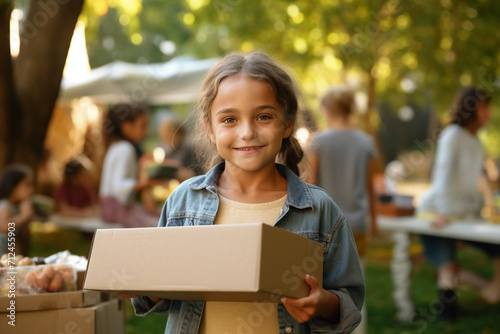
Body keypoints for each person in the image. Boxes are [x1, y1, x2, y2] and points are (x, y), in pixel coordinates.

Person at [125, 51, 364, 334]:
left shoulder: (320, 210)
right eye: (229, 120)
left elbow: (349, 302)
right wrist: (153, 285)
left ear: (287, 124)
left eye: (263, 116)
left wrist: (324, 303)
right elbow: (147, 298)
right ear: (210, 129)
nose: (247, 132)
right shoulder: (182, 201)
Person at [417, 86, 500, 319]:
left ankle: (488, 290)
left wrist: (482, 209)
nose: (488, 113)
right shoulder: (452, 134)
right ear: (471, 108)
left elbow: (475, 181)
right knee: (446, 262)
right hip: (436, 211)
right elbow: (443, 174)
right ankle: (449, 308)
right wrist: (443, 212)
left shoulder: (476, 143)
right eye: (485, 107)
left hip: (463, 213)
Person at [305, 86, 377, 334]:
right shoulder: (365, 141)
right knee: (357, 288)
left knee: (326, 290)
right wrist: (374, 222)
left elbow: (312, 186)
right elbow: (371, 187)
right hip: (358, 224)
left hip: (325, 226)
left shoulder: (318, 142)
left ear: (326, 110)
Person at [99, 103, 160, 228]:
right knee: (160, 224)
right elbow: (120, 186)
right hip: (117, 210)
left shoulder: (116, 146)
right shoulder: (125, 148)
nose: (146, 131)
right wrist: (148, 182)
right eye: (143, 125)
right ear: (127, 127)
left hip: (109, 209)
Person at [0, 165, 34, 255]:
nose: (31, 190)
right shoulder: (5, 205)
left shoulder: (18, 207)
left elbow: (20, 235)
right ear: (13, 187)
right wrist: (23, 216)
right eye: (27, 185)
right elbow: (4, 227)